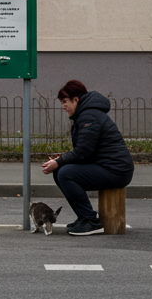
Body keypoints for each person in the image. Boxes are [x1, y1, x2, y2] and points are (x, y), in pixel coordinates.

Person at [41, 80, 134, 236]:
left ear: (76, 99)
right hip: (109, 167)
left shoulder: (88, 116)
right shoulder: (86, 114)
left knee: (65, 173)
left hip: (116, 170)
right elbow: (85, 151)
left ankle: (91, 221)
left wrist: (58, 161)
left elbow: (83, 152)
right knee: (61, 171)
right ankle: (84, 217)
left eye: (65, 101)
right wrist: (60, 161)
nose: (63, 106)